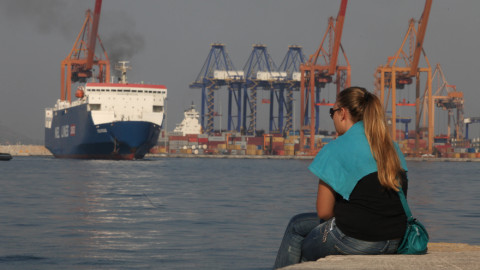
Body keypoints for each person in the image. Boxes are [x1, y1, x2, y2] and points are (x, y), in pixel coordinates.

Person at [273, 87, 409, 269]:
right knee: (300, 223)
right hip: (396, 238)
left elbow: (324, 212)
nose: (333, 118)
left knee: (298, 233)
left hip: (359, 240)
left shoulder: (335, 149)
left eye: (332, 112)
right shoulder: (391, 146)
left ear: (342, 113)